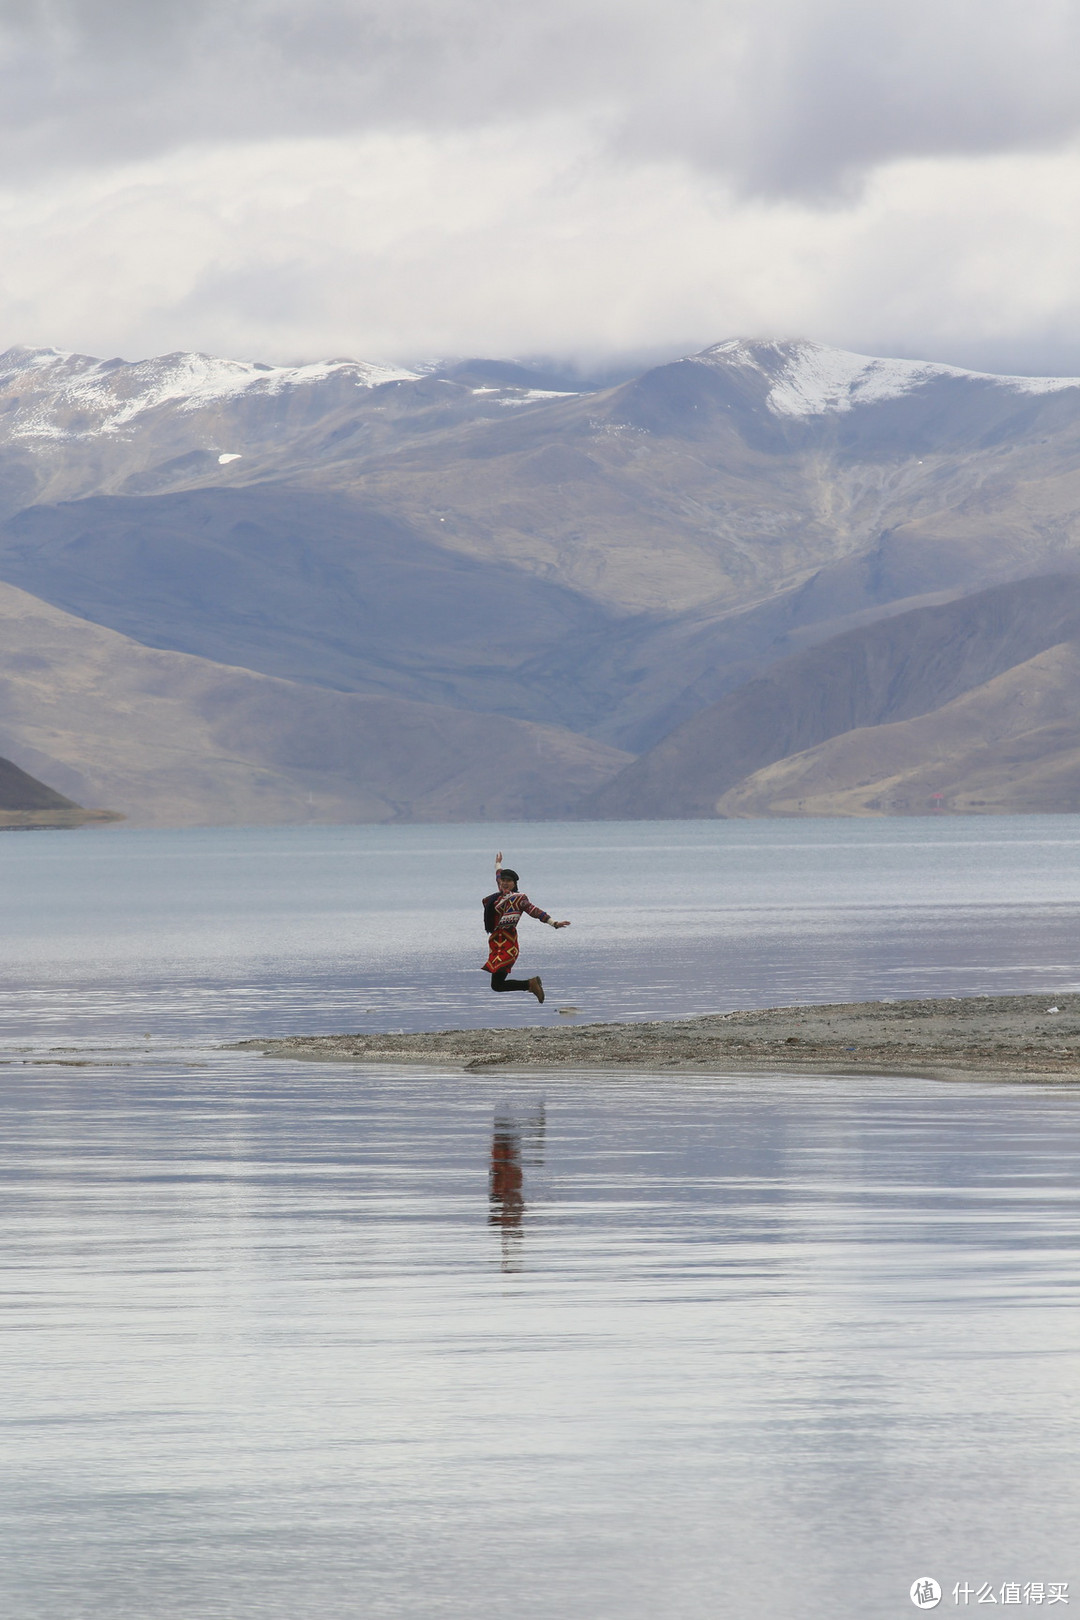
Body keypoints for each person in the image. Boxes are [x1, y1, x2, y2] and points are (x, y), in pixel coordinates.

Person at [482, 850, 570, 1003]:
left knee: (497, 984)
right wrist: (498, 863)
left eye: (508, 881)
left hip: (507, 944)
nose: (504, 882)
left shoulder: (519, 899)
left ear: (515, 884)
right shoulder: (500, 896)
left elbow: (534, 911)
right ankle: (531, 984)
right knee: (496, 985)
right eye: (503, 880)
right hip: (496, 943)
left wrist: (553, 923)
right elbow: (498, 875)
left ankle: (531, 984)